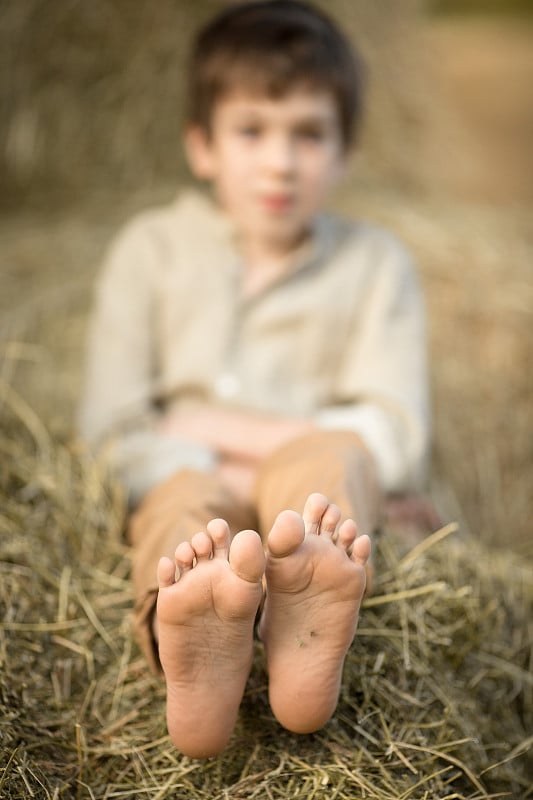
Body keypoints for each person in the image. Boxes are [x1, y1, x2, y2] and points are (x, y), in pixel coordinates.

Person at [79, 0, 430, 758]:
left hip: (303, 488)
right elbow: (109, 437)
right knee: (180, 519)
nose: (281, 162)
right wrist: (209, 457)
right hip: (184, 478)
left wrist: (210, 430)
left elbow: (394, 435)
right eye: (251, 131)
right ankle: (189, 645)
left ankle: (295, 616)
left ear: (344, 151)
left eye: (308, 133)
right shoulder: (149, 251)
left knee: (326, 474)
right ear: (200, 145)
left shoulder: (376, 266)